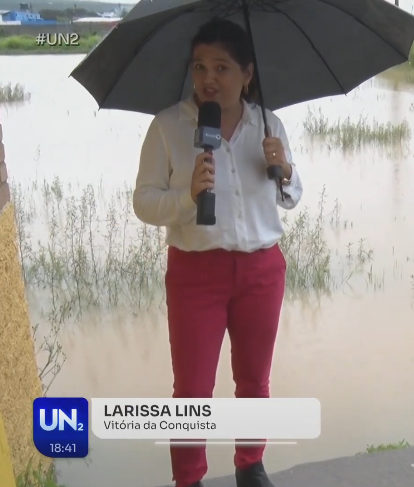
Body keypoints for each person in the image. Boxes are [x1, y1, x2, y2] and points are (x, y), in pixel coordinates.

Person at [132, 18, 303, 487]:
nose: (209, 78)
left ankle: (250, 464)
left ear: (247, 74)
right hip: (195, 274)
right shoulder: (169, 126)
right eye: (200, 67)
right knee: (191, 392)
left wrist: (283, 169)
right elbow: (143, 202)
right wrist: (187, 195)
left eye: (222, 68)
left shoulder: (269, 124)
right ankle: (188, 479)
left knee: (254, 382)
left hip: (262, 271)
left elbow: (291, 195)